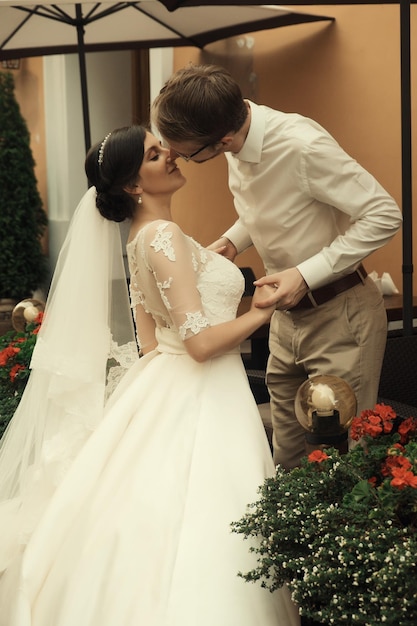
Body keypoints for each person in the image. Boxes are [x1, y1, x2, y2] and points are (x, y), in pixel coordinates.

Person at [0, 125, 300, 626]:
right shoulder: (161, 235)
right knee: (212, 518)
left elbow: (150, 337)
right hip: (204, 389)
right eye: (155, 155)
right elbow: (201, 345)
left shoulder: (144, 238)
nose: (171, 157)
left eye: (163, 148)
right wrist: (263, 311)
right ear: (133, 186)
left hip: (170, 381)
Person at [151, 63, 403, 470]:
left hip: (340, 315)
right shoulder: (234, 137)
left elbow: (384, 215)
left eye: (188, 155)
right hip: (285, 321)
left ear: (225, 138)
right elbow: (269, 206)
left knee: (339, 460)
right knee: (285, 456)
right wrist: (234, 240)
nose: (179, 159)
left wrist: (305, 274)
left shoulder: (302, 145)